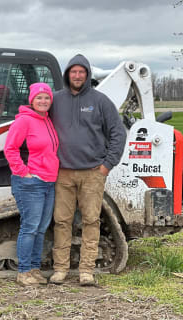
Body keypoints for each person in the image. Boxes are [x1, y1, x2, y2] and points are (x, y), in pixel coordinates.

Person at [49, 54, 126, 286]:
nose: (77, 75)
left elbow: (117, 133)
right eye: (73, 71)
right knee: (62, 221)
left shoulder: (100, 101)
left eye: (82, 72)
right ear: (67, 74)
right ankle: (61, 269)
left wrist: (106, 165)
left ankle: (86, 271)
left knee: (91, 221)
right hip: (63, 173)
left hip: (93, 172)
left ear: (87, 75)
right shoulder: (56, 100)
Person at [4, 82, 59, 286]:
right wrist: (23, 172)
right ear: (32, 100)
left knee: (41, 228)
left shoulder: (47, 121)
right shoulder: (24, 121)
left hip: (49, 182)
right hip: (31, 183)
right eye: (39, 98)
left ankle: (35, 269)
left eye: (47, 98)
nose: (43, 101)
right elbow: (10, 149)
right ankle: (23, 271)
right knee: (30, 227)